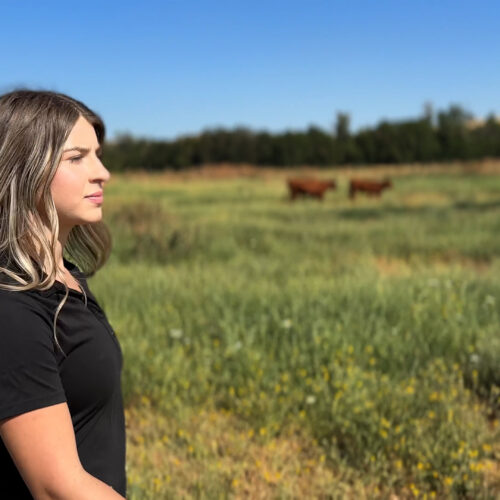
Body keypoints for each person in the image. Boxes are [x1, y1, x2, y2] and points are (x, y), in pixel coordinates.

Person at [0, 90, 127, 499]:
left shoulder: (61, 279)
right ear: (25, 170)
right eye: (77, 158)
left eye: (98, 154)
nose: (102, 173)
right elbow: (58, 488)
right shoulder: (13, 306)